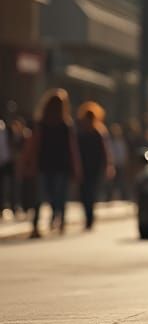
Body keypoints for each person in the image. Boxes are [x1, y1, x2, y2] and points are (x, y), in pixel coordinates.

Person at [21, 88, 81, 237]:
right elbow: (72, 149)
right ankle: (59, 220)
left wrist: (27, 162)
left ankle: (37, 225)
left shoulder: (44, 124)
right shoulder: (65, 125)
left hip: (45, 164)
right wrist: (76, 167)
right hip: (59, 165)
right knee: (59, 196)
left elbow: (33, 145)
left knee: (41, 197)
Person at [76, 102, 113, 230]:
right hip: (83, 166)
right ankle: (88, 216)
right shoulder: (80, 133)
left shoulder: (99, 132)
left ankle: (90, 217)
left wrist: (108, 166)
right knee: (83, 193)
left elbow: (105, 151)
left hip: (95, 168)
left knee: (90, 193)